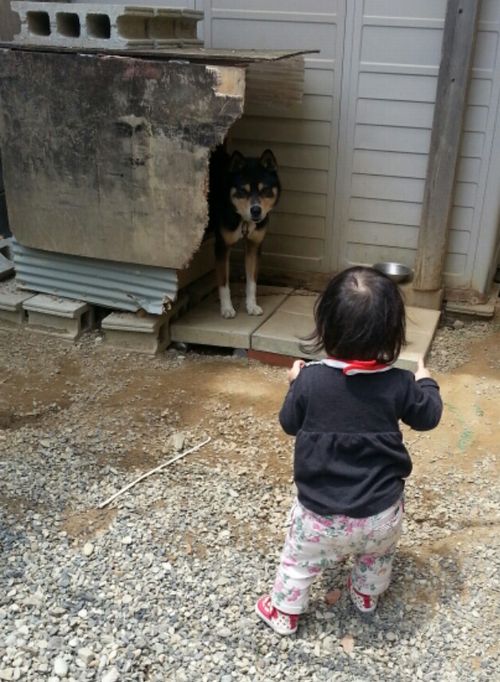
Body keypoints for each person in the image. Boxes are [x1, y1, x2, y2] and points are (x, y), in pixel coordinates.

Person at [255, 266, 443, 635]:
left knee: (299, 562)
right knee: (376, 555)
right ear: (392, 332)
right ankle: (366, 594)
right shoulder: (400, 383)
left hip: (319, 515)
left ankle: (284, 612)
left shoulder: (310, 380)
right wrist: (427, 382)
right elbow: (428, 417)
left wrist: (295, 385)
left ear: (326, 327)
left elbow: (289, 424)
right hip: (379, 514)